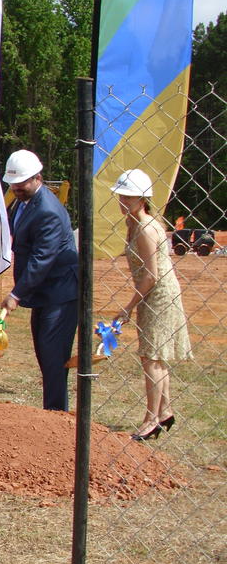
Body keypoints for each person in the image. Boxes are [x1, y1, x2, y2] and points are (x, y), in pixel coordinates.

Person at [112, 169, 192, 440]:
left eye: (128, 197)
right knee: (153, 355)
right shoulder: (133, 223)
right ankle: (165, 409)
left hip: (158, 295)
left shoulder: (145, 227)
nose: (122, 201)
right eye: (121, 196)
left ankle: (152, 419)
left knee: (152, 358)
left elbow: (151, 274)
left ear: (142, 198)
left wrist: (128, 306)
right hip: (151, 295)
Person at [1, 149, 79, 411]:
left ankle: (56, 414)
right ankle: (53, 413)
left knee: (53, 357)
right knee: (45, 354)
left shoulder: (48, 211)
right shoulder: (24, 202)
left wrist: (15, 294)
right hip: (46, 294)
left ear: (37, 178)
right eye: (13, 183)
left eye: (21, 183)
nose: (16, 188)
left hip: (59, 294)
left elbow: (41, 259)